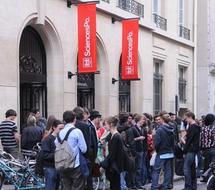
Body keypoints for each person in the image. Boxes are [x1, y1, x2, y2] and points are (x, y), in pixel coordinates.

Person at [55, 110, 87, 190]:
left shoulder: (59, 133)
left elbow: (56, 145)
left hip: (62, 165)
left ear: (64, 120)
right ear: (75, 119)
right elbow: (84, 149)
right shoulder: (77, 132)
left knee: (66, 187)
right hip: (75, 165)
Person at [151, 113, 175, 190]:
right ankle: (165, 187)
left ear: (162, 120)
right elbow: (173, 142)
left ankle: (154, 187)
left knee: (156, 171)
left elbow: (157, 142)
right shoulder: (171, 129)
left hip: (161, 153)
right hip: (170, 152)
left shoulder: (160, 129)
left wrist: (157, 150)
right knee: (168, 171)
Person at [100, 116, 124, 190]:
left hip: (114, 167)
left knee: (115, 186)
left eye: (106, 124)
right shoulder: (112, 135)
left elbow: (112, 155)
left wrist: (103, 166)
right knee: (114, 185)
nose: (105, 126)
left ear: (111, 124)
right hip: (114, 166)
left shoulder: (116, 136)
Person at [42, 119, 64, 190]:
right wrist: (58, 154)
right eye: (60, 129)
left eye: (63, 129)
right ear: (54, 127)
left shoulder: (61, 139)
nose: (61, 131)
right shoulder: (48, 139)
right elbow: (45, 155)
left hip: (58, 167)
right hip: (50, 167)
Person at [182, 112, 200, 190]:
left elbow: (189, 141)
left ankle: (188, 187)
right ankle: (193, 186)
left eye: (186, 118)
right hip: (194, 150)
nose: (185, 120)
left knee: (186, 169)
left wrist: (183, 140)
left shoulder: (192, 127)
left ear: (190, 117)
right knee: (192, 169)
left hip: (190, 150)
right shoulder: (196, 126)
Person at [200, 113, 215, 182]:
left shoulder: (203, 128)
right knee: (212, 165)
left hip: (205, 149)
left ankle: (205, 178)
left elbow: (202, 139)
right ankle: (211, 179)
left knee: (206, 163)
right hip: (213, 148)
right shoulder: (213, 128)